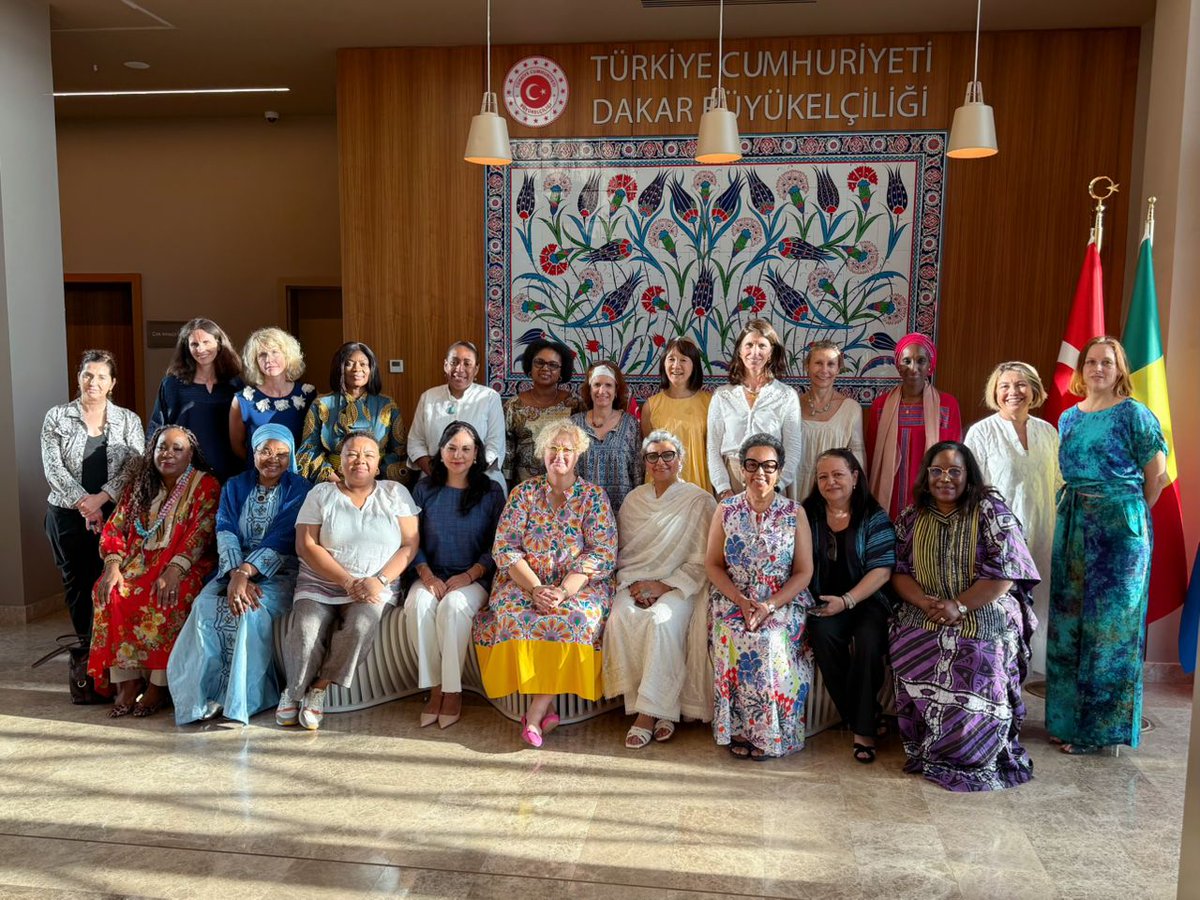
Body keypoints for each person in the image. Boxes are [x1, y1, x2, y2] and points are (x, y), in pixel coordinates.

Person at [889, 441, 1039, 791]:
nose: (945, 478)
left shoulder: (991, 510)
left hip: (983, 607)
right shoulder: (911, 517)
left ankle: (976, 753)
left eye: (954, 471)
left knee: (979, 654)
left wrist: (960, 605)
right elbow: (898, 570)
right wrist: (926, 603)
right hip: (925, 607)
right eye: (937, 471)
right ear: (926, 477)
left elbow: (1006, 572)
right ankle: (929, 748)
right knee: (911, 641)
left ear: (968, 475)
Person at [1047, 336, 1167, 755]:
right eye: (1092, 361)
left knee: (1110, 629)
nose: (1098, 368)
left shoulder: (1134, 414)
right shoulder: (1068, 419)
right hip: (1074, 520)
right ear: (1081, 370)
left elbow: (1157, 476)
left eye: (1107, 362)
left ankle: (1099, 732)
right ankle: (1065, 722)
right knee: (1069, 623)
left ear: (1120, 370)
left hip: (1120, 529)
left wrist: (1125, 513)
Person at [473, 419, 617, 748]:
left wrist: (563, 590)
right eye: (553, 448)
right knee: (514, 617)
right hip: (524, 582)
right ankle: (547, 706)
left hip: (577, 587)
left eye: (567, 449)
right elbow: (506, 548)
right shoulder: (523, 493)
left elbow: (602, 552)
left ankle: (536, 712)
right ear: (542, 452)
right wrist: (536, 588)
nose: (559, 455)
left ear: (578, 453)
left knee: (576, 621)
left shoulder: (594, 497)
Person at [167, 424, 311, 725]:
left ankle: (245, 699)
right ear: (253, 453)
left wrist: (245, 573)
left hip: (280, 572)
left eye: (282, 454)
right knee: (204, 606)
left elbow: (285, 535)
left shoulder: (300, 489)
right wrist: (235, 572)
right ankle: (204, 697)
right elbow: (225, 528)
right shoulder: (235, 485)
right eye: (265, 451)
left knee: (249, 610)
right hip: (231, 570)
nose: (273, 459)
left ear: (292, 456)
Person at [277, 431, 420, 730]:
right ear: (340, 462)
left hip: (374, 586)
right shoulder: (320, 494)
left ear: (379, 464)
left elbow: (409, 545)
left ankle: (318, 688)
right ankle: (293, 690)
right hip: (320, 582)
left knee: (360, 625)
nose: (360, 461)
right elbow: (306, 544)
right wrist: (345, 580)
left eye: (368, 455)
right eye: (352, 454)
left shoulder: (395, 493)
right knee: (305, 628)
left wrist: (379, 580)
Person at [88, 426, 220, 717]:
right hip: (136, 561)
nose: (168, 454)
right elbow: (115, 527)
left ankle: (159, 685)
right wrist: (112, 566)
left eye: (177, 449)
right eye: (162, 447)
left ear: (191, 454)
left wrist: (175, 570)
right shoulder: (140, 484)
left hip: (184, 563)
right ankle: (127, 681)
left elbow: (202, 532)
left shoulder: (205, 484)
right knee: (111, 590)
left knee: (171, 594)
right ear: (153, 450)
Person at [41, 350, 145, 702]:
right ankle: (89, 664)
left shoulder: (128, 420)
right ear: (79, 378)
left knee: (116, 584)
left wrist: (101, 499)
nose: (93, 382)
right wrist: (84, 505)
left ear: (112, 383)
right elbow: (53, 469)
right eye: (87, 375)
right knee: (77, 585)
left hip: (115, 515)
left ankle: (121, 669)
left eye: (101, 376)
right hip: (67, 516)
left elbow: (134, 465)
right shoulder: (57, 417)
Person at [603, 430, 716, 749]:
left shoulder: (699, 500)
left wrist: (663, 585)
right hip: (636, 581)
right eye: (653, 456)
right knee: (622, 617)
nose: (661, 462)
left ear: (681, 460)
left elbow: (702, 560)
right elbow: (625, 553)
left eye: (668, 455)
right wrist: (637, 585)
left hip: (682, 585)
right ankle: (666, 710)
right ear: (645, 463)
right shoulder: (634, 500)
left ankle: (647, 714)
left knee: (661, 622)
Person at [705, 433, 815, 760]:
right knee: (731, 633)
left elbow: (804, 572)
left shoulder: (795, 513)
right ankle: (738, 728)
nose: (760, 473)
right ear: (741, 470)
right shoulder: (725, 510)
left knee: (768, 640)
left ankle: (768, 732)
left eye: (769, 466)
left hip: (782, 601)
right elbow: (712, 565)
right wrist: (740, 600)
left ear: (779, 471)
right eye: (751, 465)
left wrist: (769, 605)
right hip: (732, 598)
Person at [404, 422, 505, 729]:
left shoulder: (491, 491)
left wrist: (471, 575)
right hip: (430, 572)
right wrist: (427, 575)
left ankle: (453, 691)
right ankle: (434, 689)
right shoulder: (424, 488)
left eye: (466, 449)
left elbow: (500, 544)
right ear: (441, 451)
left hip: (474, 577)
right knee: (419, 605)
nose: (458, 455)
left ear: (477, 455)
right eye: (451, 448)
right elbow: (411, 540)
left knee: (453, 606)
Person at [964, 361, 1060, 675]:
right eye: (1004, 385)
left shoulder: (1047, 432)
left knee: (1040, 609)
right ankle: (1001, 682)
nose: (1013, 392)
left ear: (1034, 389)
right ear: (995, 392)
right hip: (1000, 542)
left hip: (1043, 537)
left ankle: (1031, 677)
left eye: (1020, 384)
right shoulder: (981, 432)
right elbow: (969, 489)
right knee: (1003, 613)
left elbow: (1060, 485)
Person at [802, 449, 895, 763]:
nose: (831, 482)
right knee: (822, 633)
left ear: (855, 477)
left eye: (838, 474)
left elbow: (882, 571)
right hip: (824, 601)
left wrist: (848, 600)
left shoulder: (873, 514)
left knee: (869, 641)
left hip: (867, 599)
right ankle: (864, 717)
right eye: (823, 477)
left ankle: (862, 730)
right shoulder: (807, 513)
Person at [867, 332, 961, 519]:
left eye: (921, 361)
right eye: (907, 361)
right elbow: (871, 455)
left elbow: (955, 455)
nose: (913, 368)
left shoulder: (947, 404)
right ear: (898, 366)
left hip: (930, 491)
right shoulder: (880, 406)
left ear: (930, 366)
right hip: (889, 494)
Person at [707, 319, 802, 498]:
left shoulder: (786, 396)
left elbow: (793, 449)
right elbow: (713, 449)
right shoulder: (722, 395)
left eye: (762, 346)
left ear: (771, 351)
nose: (754, 352)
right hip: (732, 479)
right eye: (749, 345)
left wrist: (776, 486)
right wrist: (723, 489)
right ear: (740, 351)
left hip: (771, 480)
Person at [296, 341, 408, 482]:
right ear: (339, 368)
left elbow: (399, 451)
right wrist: (334, 480)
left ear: (371, 368)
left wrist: (375, 474)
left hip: (378, 481)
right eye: (349, 364)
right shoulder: (321, 404)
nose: (357, 369)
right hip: (333, 482)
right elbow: (309, 450)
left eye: (363, 364)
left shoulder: (387, 405)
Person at [149, 318, 244, 482]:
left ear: (219, 343)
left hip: (229, 474)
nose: (201, 349)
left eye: (206, 342)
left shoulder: (234, 385)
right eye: (194, 344)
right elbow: (157, 428)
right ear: (187, 348)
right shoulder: (172, 385)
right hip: (185, 476)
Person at [408, 341, 506, 489]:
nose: (459, 369)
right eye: (454, 362)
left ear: (476, 369)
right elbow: (416, 442)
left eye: (467, 363)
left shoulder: (490, 397)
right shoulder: (428, 397)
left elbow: (494, 446)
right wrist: (436, 473)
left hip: (480, 478)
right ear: (445, 365)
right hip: (434, 478)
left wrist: (464, 477)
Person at [229, 327, 316, 465]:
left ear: (288, 355)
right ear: (255, 361)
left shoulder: (308, 395)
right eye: (262, 355)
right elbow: (238, 448)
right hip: (258, 478)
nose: (269, 359)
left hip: (298, 479)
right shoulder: (242, 400)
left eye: (275, 352)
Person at [503, 339, 584, 485]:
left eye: (553, 365)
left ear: (561, 371)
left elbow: (581, 449)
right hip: (524, 490)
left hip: (565, 486)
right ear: (530, 366)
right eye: (539, 362)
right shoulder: (513, 406)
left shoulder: (575, 405)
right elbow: (507, 453)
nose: (545, 368)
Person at [640, 338, 712, 493]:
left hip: (698, 486)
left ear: (694, 365)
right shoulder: (651, 406)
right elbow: (648, 453)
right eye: (671, 359)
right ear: (663, 363)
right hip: (661, 488)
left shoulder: (709, 402)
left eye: (683, 360)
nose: (676, 366)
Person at [571, 360, 642, 514]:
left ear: (616, 390)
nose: (602, 390)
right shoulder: (574, 424)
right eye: (596, 385)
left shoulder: (630, 424)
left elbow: (637, 472)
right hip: (581, 512)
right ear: (589, 389)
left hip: (623, 513)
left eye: (608, 385)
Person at [796, 341, 866, 498]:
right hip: (796, 489)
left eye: (831, 364)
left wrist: (857, 497)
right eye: (818, 363)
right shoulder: (792, 406)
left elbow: (858, 459)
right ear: (807, 365)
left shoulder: (851, 409)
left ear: (838, 369)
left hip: (834, 492)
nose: (824, 370)